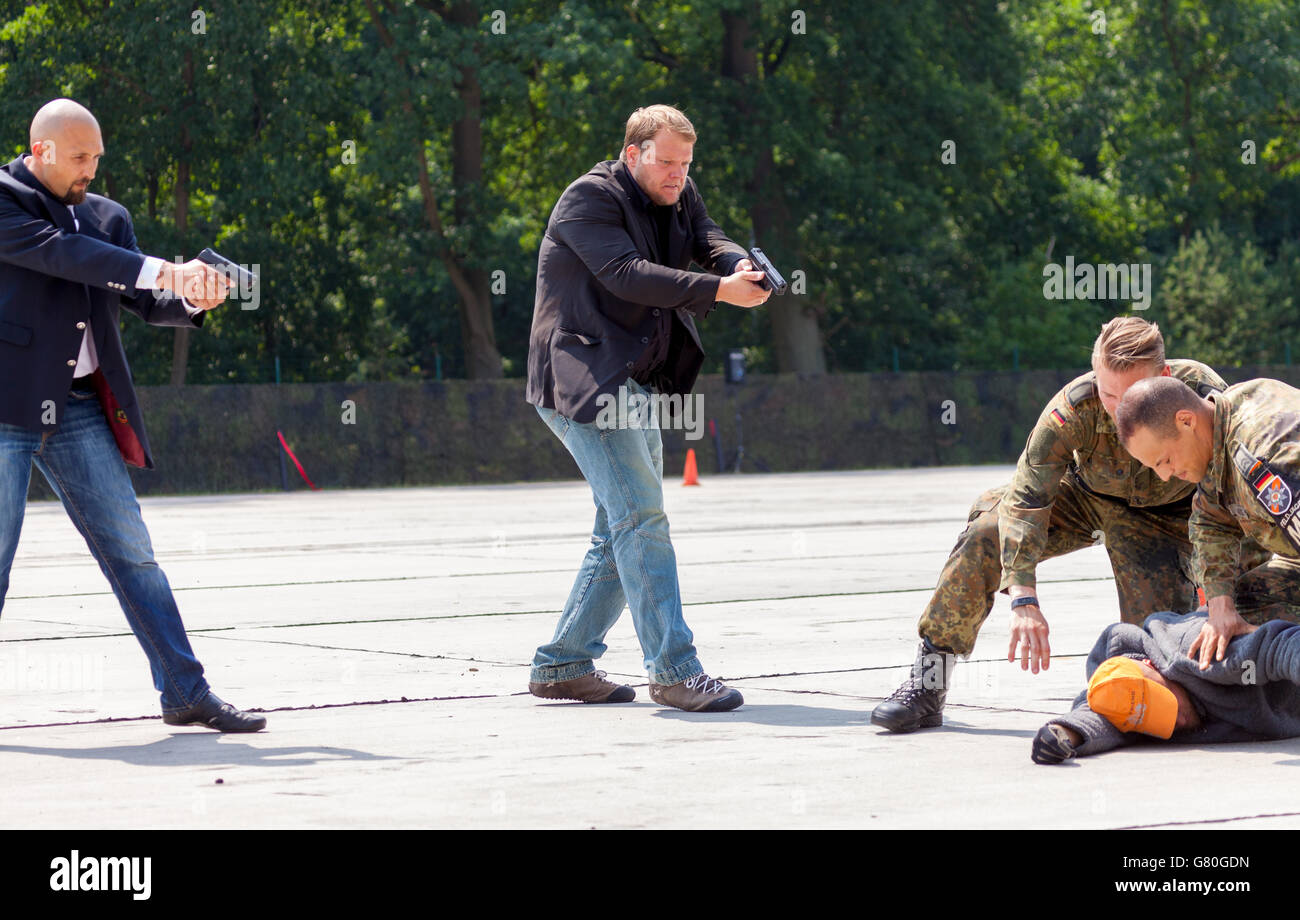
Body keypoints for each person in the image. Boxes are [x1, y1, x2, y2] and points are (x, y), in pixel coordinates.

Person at [0, 98, 264, 732]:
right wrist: (168, 269)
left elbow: (144, 298)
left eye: (98, 155)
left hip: (84, 407)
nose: (93, 167)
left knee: (134, 554)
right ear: (41, 151)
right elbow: (66, 257)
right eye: (81, 156)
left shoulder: (107, 216)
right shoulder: (4, 200)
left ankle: (184, 690)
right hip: (6, 407)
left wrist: (195, 295)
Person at [872, 317, 1236, 733]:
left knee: (1148, 644)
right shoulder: (1075, 407)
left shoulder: (1202, 395)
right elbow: (1028, 497)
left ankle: (1167, 700)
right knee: (987, 531)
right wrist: (1023, 597)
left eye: (1131, 394)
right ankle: (927, 683)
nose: (1118, 409)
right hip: (1086, 498)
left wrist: (1223, 581)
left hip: (1168, 518)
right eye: (1108, 393)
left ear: (1164, 376)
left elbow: (1232, 486)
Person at [524, 104, 769, 711]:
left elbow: (707, 237)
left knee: (620, 527)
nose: (678, 176)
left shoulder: (679, 192)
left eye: (686, 164)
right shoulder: (588, 199)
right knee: (642, 522)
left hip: (637, 380)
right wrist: (719, 291)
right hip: (587, 380)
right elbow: (626, 274)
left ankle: (561, 665)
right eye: (666, 163)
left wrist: (735, 261)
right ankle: (674, 670)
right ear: (632, 153)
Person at [1116, 374, 1300, 671]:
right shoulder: (1221, 420)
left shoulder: (1264, 455)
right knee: (1232, 612)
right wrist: (1220, 607)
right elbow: (1210, 522)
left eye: (1164, 460)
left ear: (1186, 421)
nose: (1164, 476)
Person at [1031, 610, 1300, 763]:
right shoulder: (1114, 698)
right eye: (1158, 718)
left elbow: (1278, 646)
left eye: (1168, 703)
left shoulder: (1198, 650)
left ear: (1153, 665)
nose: (1178, 720)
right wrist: (1064, 734)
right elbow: (1096, 720)